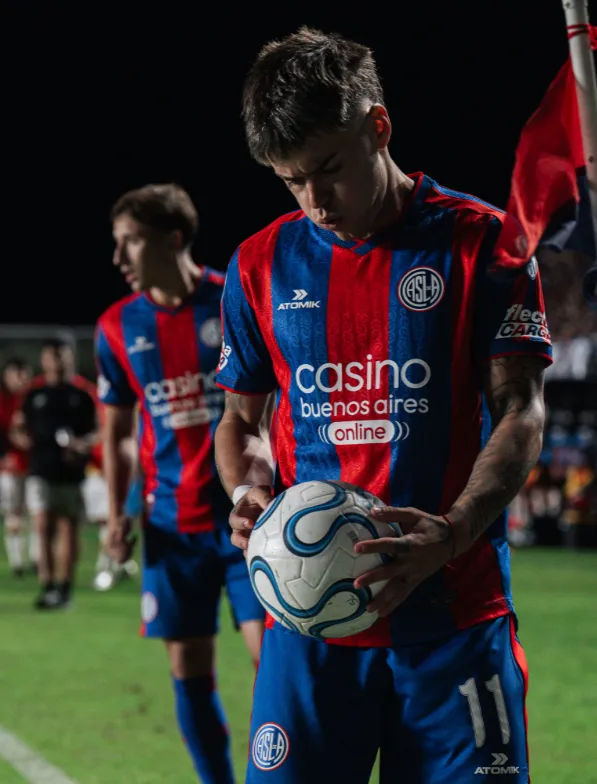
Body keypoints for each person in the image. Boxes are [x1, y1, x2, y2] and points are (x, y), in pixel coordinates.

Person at [215, 27, 552, 783]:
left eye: (328, 170)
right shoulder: (260, 263)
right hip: (308, 627)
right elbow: (239, 420)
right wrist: (246, 489)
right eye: (290, 182)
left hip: (454, 621)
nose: (315, 202)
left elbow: (521, 409)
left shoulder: (485, 243)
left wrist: (454, 529)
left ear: (379, 126)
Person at [95, 183, 265, 784]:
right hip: (172, 523)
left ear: (172, 239)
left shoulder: (233, 299)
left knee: (273, 662)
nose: (118, 257)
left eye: (131, 241)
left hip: (250, 518)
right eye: (116, 243)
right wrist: (117, 513)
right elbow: (118, 432)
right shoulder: (117, 327)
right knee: (190, 670)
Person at [12, 339, 97, 608]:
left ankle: (65, 587)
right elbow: (18, 426)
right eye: (52, 356)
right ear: (44, 360)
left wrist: (81, 445)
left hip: (71, 472)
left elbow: (96, 430)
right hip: (41, 470)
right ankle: (47, 585)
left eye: (62, 356)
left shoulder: (82, 394)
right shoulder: (34, 394)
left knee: (68, 528)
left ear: (70, 359)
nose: (58, 362)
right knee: (42, 526)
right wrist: (22, 440)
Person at [0, 357, 34, 575]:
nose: (21, 380)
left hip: (34, 464)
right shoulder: (3, 400)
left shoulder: (33, 398)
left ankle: (36, 558)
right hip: (10, 466)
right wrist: (4, 455)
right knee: (14, 512)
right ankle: (17, 562)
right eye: (17, 374)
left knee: (35, 512)